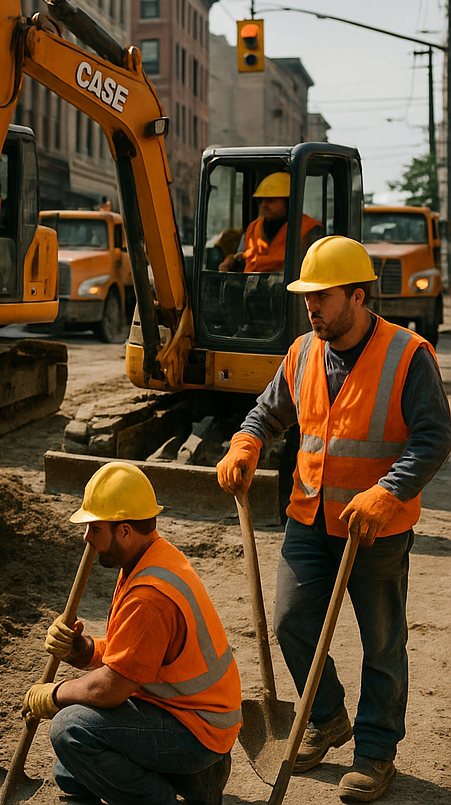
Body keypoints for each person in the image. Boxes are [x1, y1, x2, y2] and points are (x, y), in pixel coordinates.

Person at [217, 235, 450, 803]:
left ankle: (375, 752)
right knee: (292, 621)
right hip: (309, 516)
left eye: (322, 297)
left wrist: (389, 492)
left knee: (382, 643)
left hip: (376, 529)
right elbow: (267, 412)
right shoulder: (302, 352)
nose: (312, 307)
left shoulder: (407, 355)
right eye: (308, 298)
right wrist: (246, 444)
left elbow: (434, 436)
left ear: (359, 296)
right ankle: (326, 718)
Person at [23, 462, 240, 805]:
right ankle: (198, 780)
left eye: (95, 528)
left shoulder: (148, 597)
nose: (86, 538)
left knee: (70, 731)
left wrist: (54, 695)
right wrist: (83, 649)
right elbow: (135, 652)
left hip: (196, 729)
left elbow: (112, 688)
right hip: (187, 712)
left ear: (124, 530)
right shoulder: (152, 558)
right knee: (70, 770)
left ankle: (173, 790)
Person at [219, 171, 321, 272]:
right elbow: (242, 258)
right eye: (261, 200)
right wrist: (231, 261)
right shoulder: (253, 229)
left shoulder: (309, 229)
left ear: (289, 202)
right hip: (251, 287)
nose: (264, 205)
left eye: (271, 200)